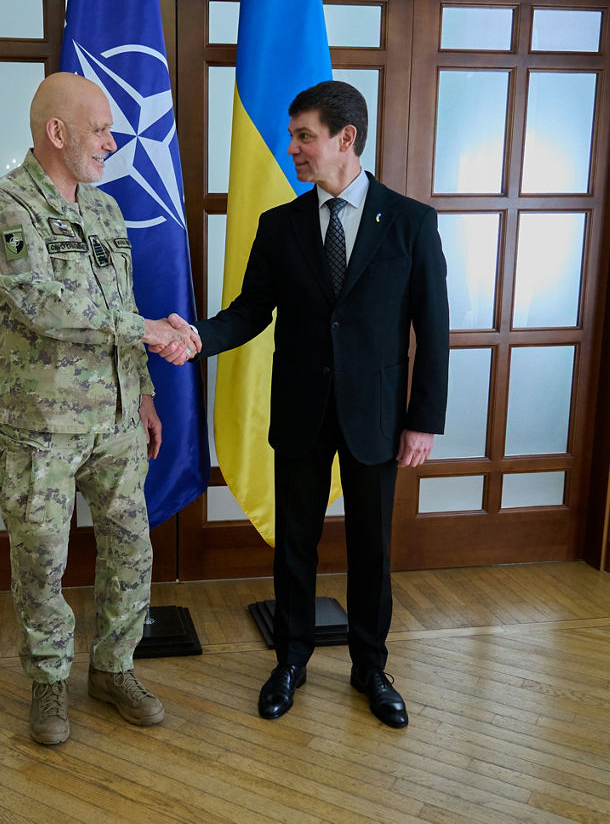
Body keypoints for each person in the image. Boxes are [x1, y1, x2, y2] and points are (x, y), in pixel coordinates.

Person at [173, 80, 448, 728]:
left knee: (371, 548)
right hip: (300, 410)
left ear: (346, 138)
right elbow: (249, 312)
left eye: (304, 136)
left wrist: (423, 421)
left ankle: (370, 667)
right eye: (293, 136)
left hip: (376, 416)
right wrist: (196, 337)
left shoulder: (410, 222)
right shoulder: (280, 225)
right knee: (294, 543)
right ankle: (290, 661)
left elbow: (433, 329)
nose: (292, 147)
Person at [0, 72, 196, 746]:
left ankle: (114, 669)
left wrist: (145, 392)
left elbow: (120, 303)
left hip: (118, 423)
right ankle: (47, 681)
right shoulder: (3, 206)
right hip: (42, 429)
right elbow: (41, 305)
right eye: (100, 130)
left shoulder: (105, 211)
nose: (112, 142)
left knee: (131, 551)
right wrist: (150, 330)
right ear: (56, 131)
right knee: (42, 560)